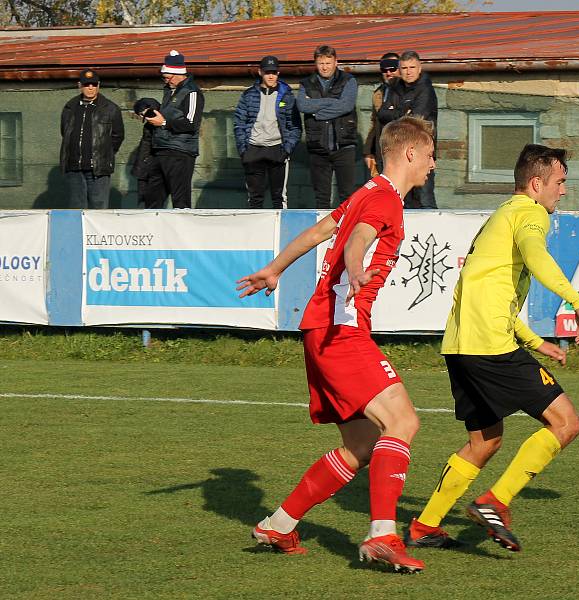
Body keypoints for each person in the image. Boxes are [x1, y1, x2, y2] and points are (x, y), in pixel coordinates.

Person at [237, 116, 436, 573]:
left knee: (363, 446)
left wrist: (275, 269)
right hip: (341, 332)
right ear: (409, 153)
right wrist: (356, 265)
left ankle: (279, 523)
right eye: (428, 155)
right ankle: (383, 535)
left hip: (324, 331)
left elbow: (318, 231)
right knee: (402, 421)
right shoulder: (384, 200)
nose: (432, 164)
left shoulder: (364, 193)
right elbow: (359, 240)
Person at [405, 144, 579, 552]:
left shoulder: (502, 216)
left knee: (484, 441)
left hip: (460, 345)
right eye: (560, 182)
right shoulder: (530, 214)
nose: (563, 191)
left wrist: (535, 341)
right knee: (566, 423)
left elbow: (491, 295)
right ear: (536, 183)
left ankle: (425, 525)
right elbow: (536, 256)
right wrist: (576, 300)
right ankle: (496, 501)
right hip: (490, 345)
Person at [233, 55, 302, 209]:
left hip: (277, 149)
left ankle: (281, 233)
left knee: (279, 198)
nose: (271, 76)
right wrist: (244, 150)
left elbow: (295, 126)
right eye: (267, 72)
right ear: (260, 72)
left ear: (278, 73)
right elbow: (239, 123)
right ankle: (254, 232)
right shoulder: (248, 94)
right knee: (254, 198)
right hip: (253, 149)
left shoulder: (287, 95)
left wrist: (286, 150)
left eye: (274, 72)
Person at [296, 45, 358, 209]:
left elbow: (346, 106)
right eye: (321, 63)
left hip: (344, 145)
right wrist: (331, 102)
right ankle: (324, 233)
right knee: (322, 198)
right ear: (315, 63)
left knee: (347, 196)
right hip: (318, 147)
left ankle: (347, 231)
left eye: (328, 63)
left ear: (336, 62)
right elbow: (302, 105)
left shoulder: (348, 80)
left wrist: (317, 112)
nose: (324, 67)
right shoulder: (306, 83)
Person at [144, 50, 204, 209]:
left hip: (180, 152)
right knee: (153, 200)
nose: (165, 80)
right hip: (161, 150)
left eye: (167, 77)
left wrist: (163, 122)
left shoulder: (192, 93)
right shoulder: (169, 90)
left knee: (180, 201)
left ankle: (183, 233)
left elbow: (191, 123)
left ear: (178, 74)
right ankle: (154, 232)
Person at [377, 50, 437, 209]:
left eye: (412, 67)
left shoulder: (426, 90)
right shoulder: (394, 87)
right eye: (404, 68)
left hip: (421, 154)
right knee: (401, 200)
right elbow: (382, 114)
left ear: (419, 68)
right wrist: (403, 112)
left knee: (425, 200)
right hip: (400, 156)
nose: (408, 72)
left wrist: (396, 113)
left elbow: (415, 121)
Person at [59, 68, 124, 209]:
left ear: (98, 86)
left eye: (94, 84)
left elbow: (118, 136)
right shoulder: (70, 107)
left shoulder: (111, 108)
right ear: (79, 85)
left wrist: (104, 154)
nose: (90, 87)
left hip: (98, 169)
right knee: (77, 209)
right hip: (74, 168)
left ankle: (96, 233)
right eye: (87, 84)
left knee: (99, 209)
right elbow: (65, 132)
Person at [363, 52, 399, 178]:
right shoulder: (378, 93)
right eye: (385, 70)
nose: (389, 73)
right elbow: (374, 122)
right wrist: (368, 151)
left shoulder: (407, 93)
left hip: (399, 153)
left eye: (393, 68)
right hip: (380, 153)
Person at [130, 98, 164, 208]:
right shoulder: (150, 126)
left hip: (153, 168)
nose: (142, 118)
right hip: (147, 168)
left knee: (151, 204)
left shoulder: (158, 124)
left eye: (141, 115)